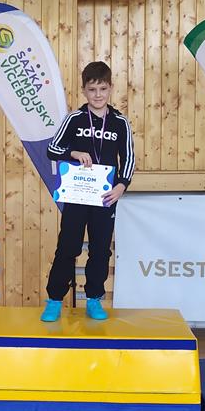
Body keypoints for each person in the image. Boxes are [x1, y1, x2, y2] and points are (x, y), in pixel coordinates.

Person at [41, 61, 134, 322]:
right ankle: (54, 300)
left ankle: (94, 299)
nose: (98, 95)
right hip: (77, 195)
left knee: (101, 249)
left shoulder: (120, 123)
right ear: (84, 90)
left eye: (102, 89)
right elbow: (52, 149)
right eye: (92, 89)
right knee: (68, 246)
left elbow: (128, 158)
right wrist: (74, 152)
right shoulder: (75, 119)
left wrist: (121, 186)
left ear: (110, 88)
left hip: (105, 197)